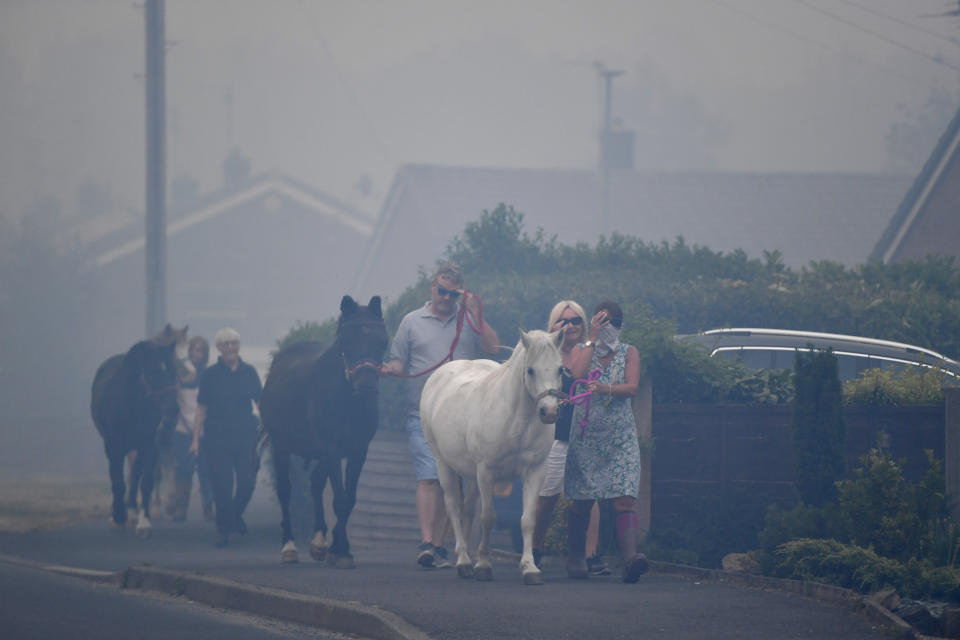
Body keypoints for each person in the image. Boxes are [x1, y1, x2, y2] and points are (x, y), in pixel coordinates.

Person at [383, 261, 500, 568]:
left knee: (459, 482)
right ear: (432, 287)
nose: (445, 298)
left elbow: (493, 347)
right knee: (430, 476)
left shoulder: (467, 320)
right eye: (442, 291)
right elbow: (398, 363)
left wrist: (475, 313)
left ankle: (443, 543)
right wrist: (384, 371)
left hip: (462, 417)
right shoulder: (411, 321)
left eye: (452, 294)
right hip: (422, 412)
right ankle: (428, 542)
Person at [565, 301, 648, 583]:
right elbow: (576, 374)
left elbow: (633, 386)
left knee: (624, 497)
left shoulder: (629, 352)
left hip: (619, 436)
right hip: (587, 435)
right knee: (582, 499)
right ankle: (576, 557)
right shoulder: (582, 350)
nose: (607, 328)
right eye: (602, 321)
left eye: (613, 322)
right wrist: (592, 338)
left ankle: (630, 559)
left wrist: (605, 388)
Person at [531, 300, 609, 576]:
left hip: (586, 433)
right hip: (556, 434)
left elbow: (583, 373)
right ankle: (534, 547)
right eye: (563, 321)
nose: (570, 326)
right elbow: (575, 373)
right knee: (547, 496)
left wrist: (592, 343)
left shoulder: (590, 351)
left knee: (590, 497)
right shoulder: (545, 353)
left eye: (576, 320)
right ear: (552, 325)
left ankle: (590, 555)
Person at [190, 327, 263, 548]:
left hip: (245, 436)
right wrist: (195, 439)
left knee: (247, 482)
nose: (230, 348)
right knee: (221, 485)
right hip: (216, 437)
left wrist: (268, 428)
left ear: (238, 346)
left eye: (234, 343)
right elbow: (201, 408)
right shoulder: (210, 375)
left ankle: (233, 516)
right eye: (226, 344)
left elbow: (260, 404)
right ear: (219, 348)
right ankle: (223, 530)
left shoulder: (249, 372)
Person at [166, 335, 215, 522]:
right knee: (183, 469)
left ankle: (208, 507)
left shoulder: (209, 375)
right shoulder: (178, 376)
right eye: (194, 349)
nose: (197, 353)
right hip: (183, 429)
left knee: (206, 470)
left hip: (205, 430)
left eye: (201, 350)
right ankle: (181, 508)